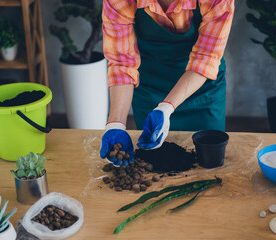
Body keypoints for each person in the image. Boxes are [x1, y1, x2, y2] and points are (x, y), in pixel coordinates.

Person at [100, 0, 234, 166]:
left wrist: (166, 107)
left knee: (208, 168)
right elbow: (122, 63)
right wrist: (116, 123)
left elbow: (205, 58)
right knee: (155, 164)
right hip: (150, 88)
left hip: (202, 90)